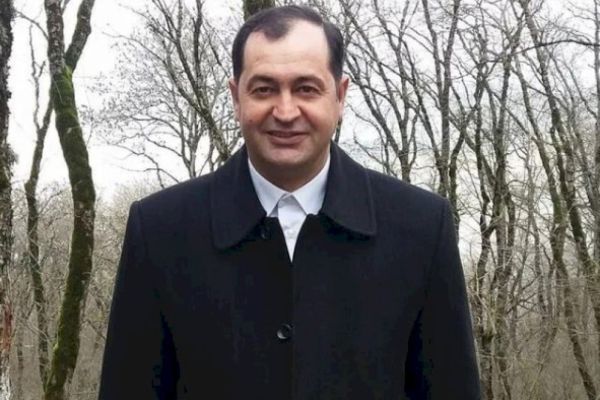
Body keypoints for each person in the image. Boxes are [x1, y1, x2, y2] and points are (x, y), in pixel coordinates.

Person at [98, 5, 481, 399]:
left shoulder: (421, 228)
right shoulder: (159, 230)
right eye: (264, 89)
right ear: (236, 97)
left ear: (340, 96)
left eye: (306, 88)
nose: (285, 111)